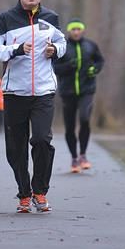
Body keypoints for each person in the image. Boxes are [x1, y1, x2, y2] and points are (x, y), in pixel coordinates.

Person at [0, 0, 66, 213]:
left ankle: (40, 191)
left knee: (41, 140)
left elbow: (63, 43)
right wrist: (16, 49)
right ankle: (24, 193)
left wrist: (55, 50)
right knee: (15, 148)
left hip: (43, 91)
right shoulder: (6, 19)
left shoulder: (51, 17)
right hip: (14, 92)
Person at [53, 19, 105, 173]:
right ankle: (74, 158)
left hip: (86, 90)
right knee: (69, 127)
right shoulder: (62, 47)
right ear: (69, 31)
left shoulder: (90, 45)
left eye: (78, 29)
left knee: (84, 118)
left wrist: (94, 69)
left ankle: (83, 155)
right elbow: (54, 67)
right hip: (67, 92)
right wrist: (68, 66)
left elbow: (100, 61)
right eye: (73, 29)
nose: (76, 32)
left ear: (82, 30)